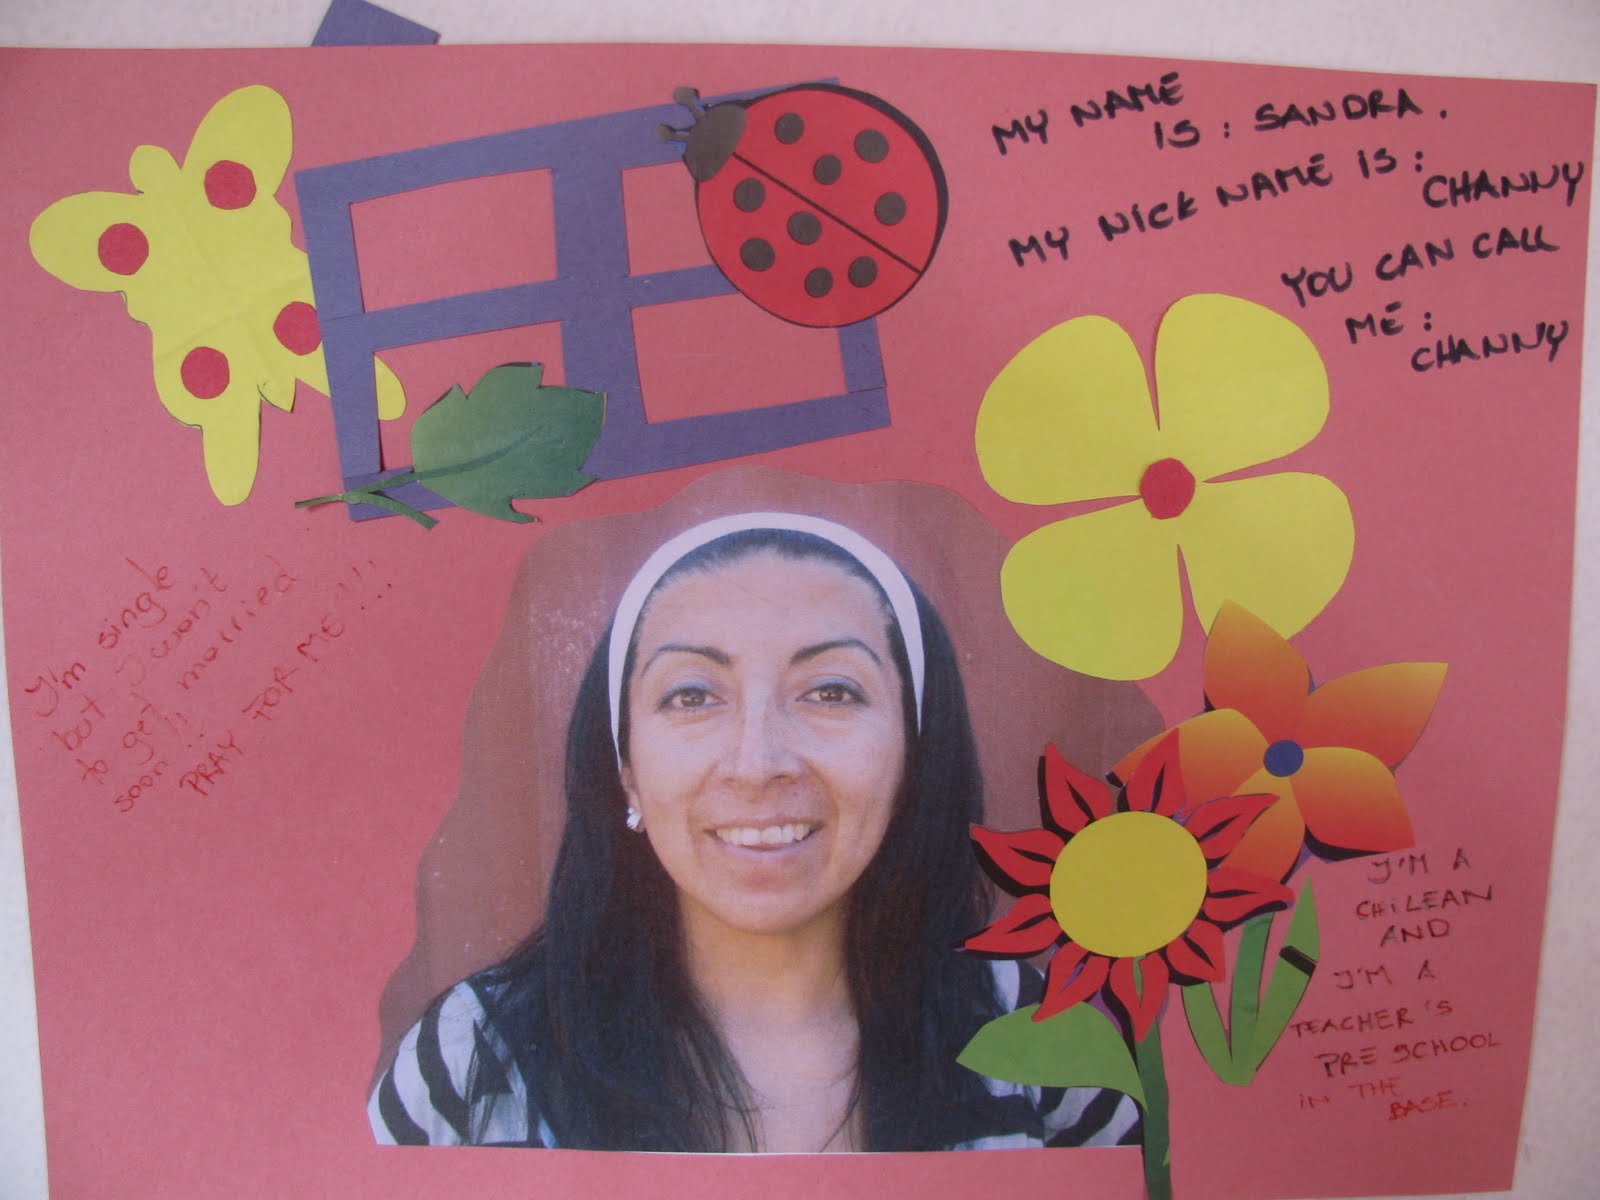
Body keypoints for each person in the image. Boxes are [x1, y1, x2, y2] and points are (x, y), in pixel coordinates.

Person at [370, 512, 1140, 1152]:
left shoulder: (1043, 1042)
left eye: (831, 691)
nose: (757, 764)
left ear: (913, 753)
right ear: (626, 769)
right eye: (692, 696)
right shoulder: (474, 1057)